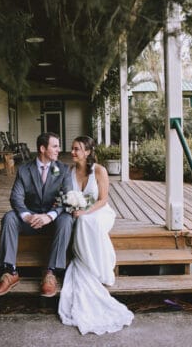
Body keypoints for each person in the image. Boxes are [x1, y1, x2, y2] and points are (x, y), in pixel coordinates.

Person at [58, 136, 134, 335]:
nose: (72, 152)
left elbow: (103, 199)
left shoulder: (99, 170)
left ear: (88, 152)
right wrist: (70, 204)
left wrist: (84, 212)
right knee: (80, 220)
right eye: (72, 148)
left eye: (77, 149)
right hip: (79, 211)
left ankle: (94, 265)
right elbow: (66, 194)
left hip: (100, 212)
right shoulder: (70, 171)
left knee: (85, 221)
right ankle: (86, 259)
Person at [0, 132, 73, 298]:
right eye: (55, 146)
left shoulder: (63, 170)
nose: (59, 149)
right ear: (43, 149)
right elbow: (16, 197)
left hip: (53, 222)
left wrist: (49, 216)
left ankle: (50, 272)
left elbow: (67, 199)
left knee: (66, 219)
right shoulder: (24, 170)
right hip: (30, 221)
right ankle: (10, 272)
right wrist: (27, 216)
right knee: (9, 217)